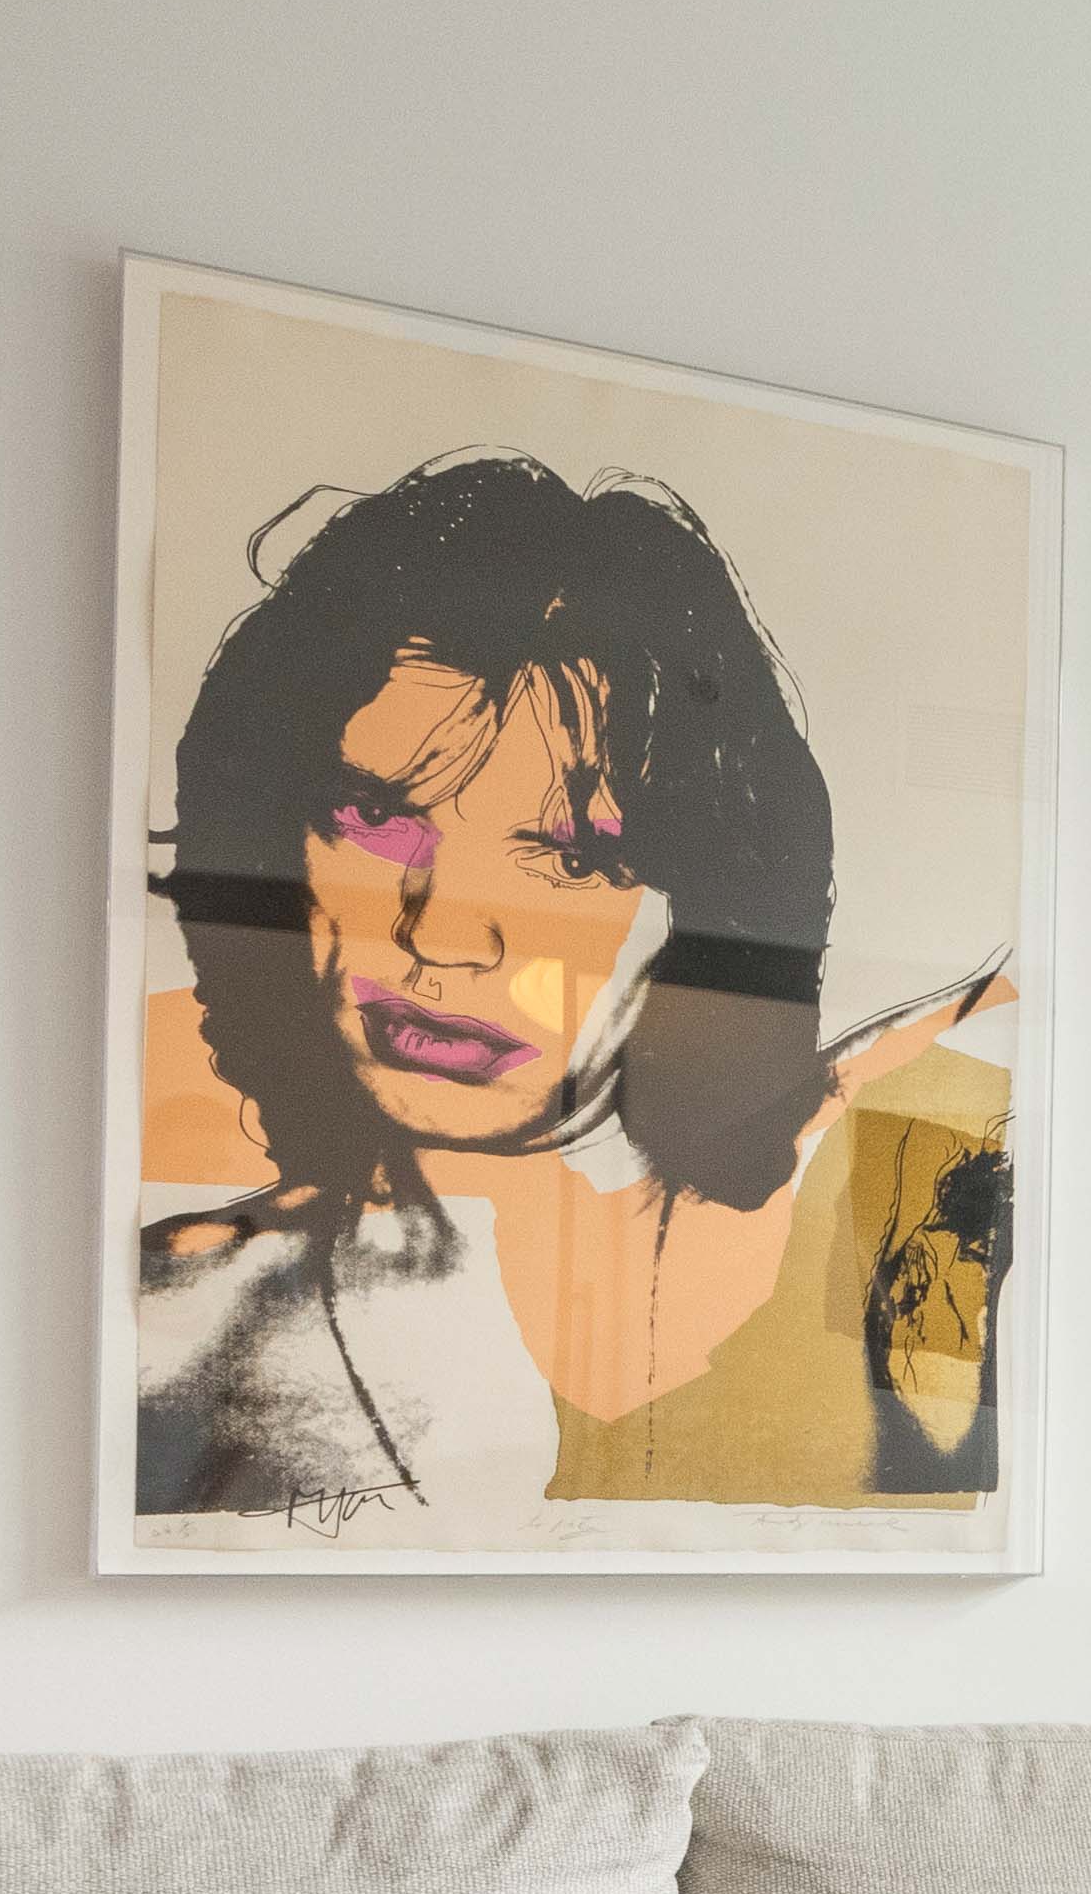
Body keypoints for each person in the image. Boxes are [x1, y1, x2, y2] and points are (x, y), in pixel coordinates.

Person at [131, 454, 1006, 1537]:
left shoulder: (919, 1191)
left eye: (575, 858)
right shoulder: (175, 1319)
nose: (442, 935)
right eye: (379, 816)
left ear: (711, 917)